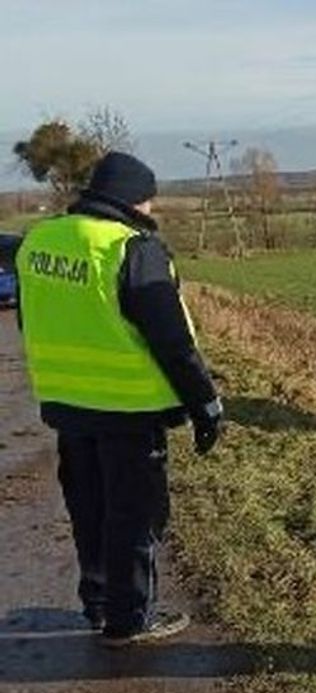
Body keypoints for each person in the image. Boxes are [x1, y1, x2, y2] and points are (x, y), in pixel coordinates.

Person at [16, 152, 223, 647]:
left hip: (68, 404)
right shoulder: (130, 248)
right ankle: (130, 619)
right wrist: (204, 404)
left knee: (88, 508)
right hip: (129, 409)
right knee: (135, 514)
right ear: (134, 198)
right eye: (149, 198)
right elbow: (173, 341)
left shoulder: (39, 241)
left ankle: (99, 603)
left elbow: (31, 317)